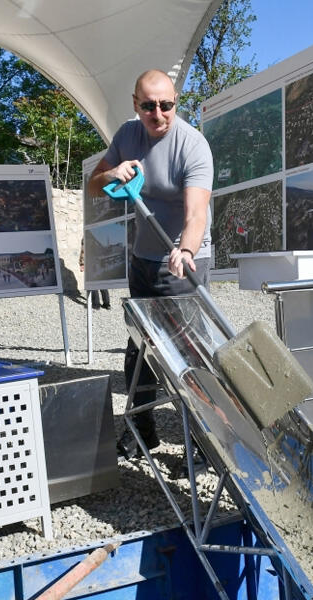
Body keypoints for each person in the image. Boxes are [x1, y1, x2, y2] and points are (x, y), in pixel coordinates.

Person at [88, 69, 214, 460]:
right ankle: (142, 433)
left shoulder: (192, 146)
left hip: (181, 263)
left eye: (166, 105)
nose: (157, 114)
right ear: (135, 104)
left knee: (188, 355)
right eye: (148, 106)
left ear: (176, 100)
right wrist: (112, 172)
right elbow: (95, 183)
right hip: (143, 258)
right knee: (139, 349)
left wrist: (187, 250)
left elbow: (197, 214)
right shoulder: (128, 134)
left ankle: (203, 443)